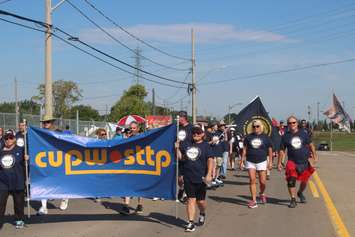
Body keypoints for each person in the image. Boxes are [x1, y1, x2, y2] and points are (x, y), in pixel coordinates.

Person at [176, 126, 213, 232]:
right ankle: (191, 222)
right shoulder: (188, 145)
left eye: (198, 133)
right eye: (194, 133)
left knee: (200, 201)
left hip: (201, 177)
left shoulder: (206, 146)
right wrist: (177, 148)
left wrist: (209, 174)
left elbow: (210, 160)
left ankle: (202, 213)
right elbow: (182, 158)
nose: (195, 135)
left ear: (202, 134)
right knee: (190, 199)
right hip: (188, 176)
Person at [278, 116, 318, 208]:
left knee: (304, 181)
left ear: (297, 123)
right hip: (292, 162)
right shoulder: (285, 136)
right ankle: (293, 199)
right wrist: (280, 162)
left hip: (304, 161)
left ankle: (300, 193)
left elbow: (311, 145)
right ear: (287, 125)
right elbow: (282, 151)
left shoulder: (303, 134)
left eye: (294, 122)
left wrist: (315, 156)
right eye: (289, 123)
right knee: (291, 181)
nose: (292, 124)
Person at [37, 115, 69, 215]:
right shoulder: (39, 133)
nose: (45, 124)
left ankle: (64, 198)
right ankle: (44, 207)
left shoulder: (59, 132)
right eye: (44, 122)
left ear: (52, 122)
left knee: (62, 181)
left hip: (58, 160)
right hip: (45, 160)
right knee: (44, 182)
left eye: (47, 122)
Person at [240, 120, 273, 208]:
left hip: (262, 161)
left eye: (257, 126)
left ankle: (262, 193)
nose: (255, 128)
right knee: (252, 180)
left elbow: (270, 150)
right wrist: (242, 160)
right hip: (250, 161)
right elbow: (244, 149)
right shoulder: (248, 137)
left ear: (261, 126)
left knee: (262, 182)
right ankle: (254, 200)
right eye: (254, 126)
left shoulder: (266, 137)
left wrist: (270, 162)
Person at [0, 129, 28, 229]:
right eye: (6, 138)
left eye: (11, 138)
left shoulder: (21, 149)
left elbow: (30, 160)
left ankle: (19, 220)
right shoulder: (1, 151)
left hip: (17, 181)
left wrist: (27, 158)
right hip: (3, 182)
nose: (8, 140)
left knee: (18, 203)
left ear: (14, 139)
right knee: (1, 203)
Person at [121, 121, 144, 215]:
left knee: (139, 185)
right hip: (129, 164)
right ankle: (126, 206)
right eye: (131, 128)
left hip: (139, 164)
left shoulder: (142, 137)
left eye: (134, 128)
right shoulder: (128, 137)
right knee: (127, 184)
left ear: (138, 128)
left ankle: (140, 205)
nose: (132, 130)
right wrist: (125, 138)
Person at [177, 111, 194, 202]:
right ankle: (181, 188)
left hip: (189, 155)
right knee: (179, 178)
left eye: (179, 117)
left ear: (184, 117)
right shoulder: (177, 128)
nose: (178, 119)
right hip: (179, 153)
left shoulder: (191, 127)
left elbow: (196, 138)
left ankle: (186, 195)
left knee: (187, 176)